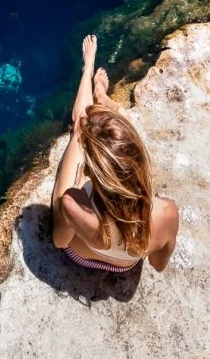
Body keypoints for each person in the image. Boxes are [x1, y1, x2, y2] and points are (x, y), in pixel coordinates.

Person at [51, 33, 179, 273]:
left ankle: (87, 71)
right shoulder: (167, 212)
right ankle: (103, 98)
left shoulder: (74, 202)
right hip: (126, 265)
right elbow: (157, 264)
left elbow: (60, 242)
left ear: (91, 170)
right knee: (117, 134)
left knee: (81, 123)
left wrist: (77, 194)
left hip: (83, 255)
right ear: (140, 163)